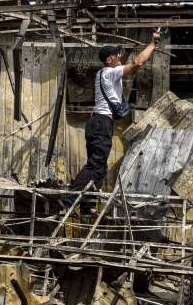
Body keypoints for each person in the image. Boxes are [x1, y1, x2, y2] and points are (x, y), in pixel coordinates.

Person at [67, 30, 161, 201]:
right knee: (95, 166)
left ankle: (87, 206)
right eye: (117, 55)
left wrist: (127, 51)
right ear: (109, 60)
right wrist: (152, 44)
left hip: (98, 123)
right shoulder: (109, 73)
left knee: (99, 168)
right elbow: (138, 62)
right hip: (101, 123)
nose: (120, 57)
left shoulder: (106, 73)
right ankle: (67, 198)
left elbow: (125, 61)